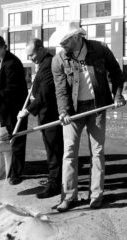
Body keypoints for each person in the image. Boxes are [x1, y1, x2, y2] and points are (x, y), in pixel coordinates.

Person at [51, 22, 126, 211]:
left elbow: (117, 73)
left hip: (97, 107)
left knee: (97, 152)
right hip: (73, 111)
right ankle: (69, 196)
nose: (62, 46)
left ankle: (96, 195)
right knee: (69, 153)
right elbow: (61, 90)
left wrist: (118, 95)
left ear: (77, 37)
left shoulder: (100, 50)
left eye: (65, 41)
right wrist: (63, 112)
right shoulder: (59, 60)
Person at [17, 38, 63, 198]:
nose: (31, 59)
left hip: (51, 114)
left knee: (54, 150)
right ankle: (56, 179)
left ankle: (54, 184)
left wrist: (28, 111)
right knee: (51, 149)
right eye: (29, 56)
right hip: (45, 115)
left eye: (32, 55)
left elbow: (45, 93)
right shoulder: (43, 63)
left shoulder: (49, 63)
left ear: (41, 49)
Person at [0, 33, 28, 185]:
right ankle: (11, 169)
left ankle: (17, 173)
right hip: (5, 108)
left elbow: (13, 87)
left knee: (17, 139)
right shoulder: (0, 61)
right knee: (8, 139)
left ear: (3, 46)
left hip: (14, 108)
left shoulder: (12, 62)